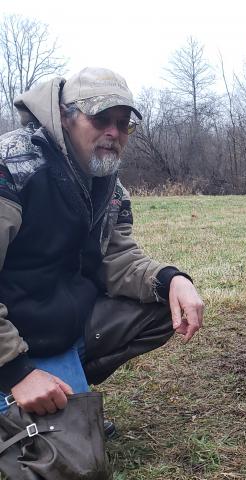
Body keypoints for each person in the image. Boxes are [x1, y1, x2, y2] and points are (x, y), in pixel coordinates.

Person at [0, 67, 204, 422]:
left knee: (161, 305)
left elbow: (117, 257)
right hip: (11, 335)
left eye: (123, 124)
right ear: (65, 117)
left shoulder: (108, 183)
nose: (113, 132)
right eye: (100, 119)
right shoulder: (11, 167)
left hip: (56, 325)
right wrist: (15, 372)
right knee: (71, 453)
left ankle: (62, 380)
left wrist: (171, 279)